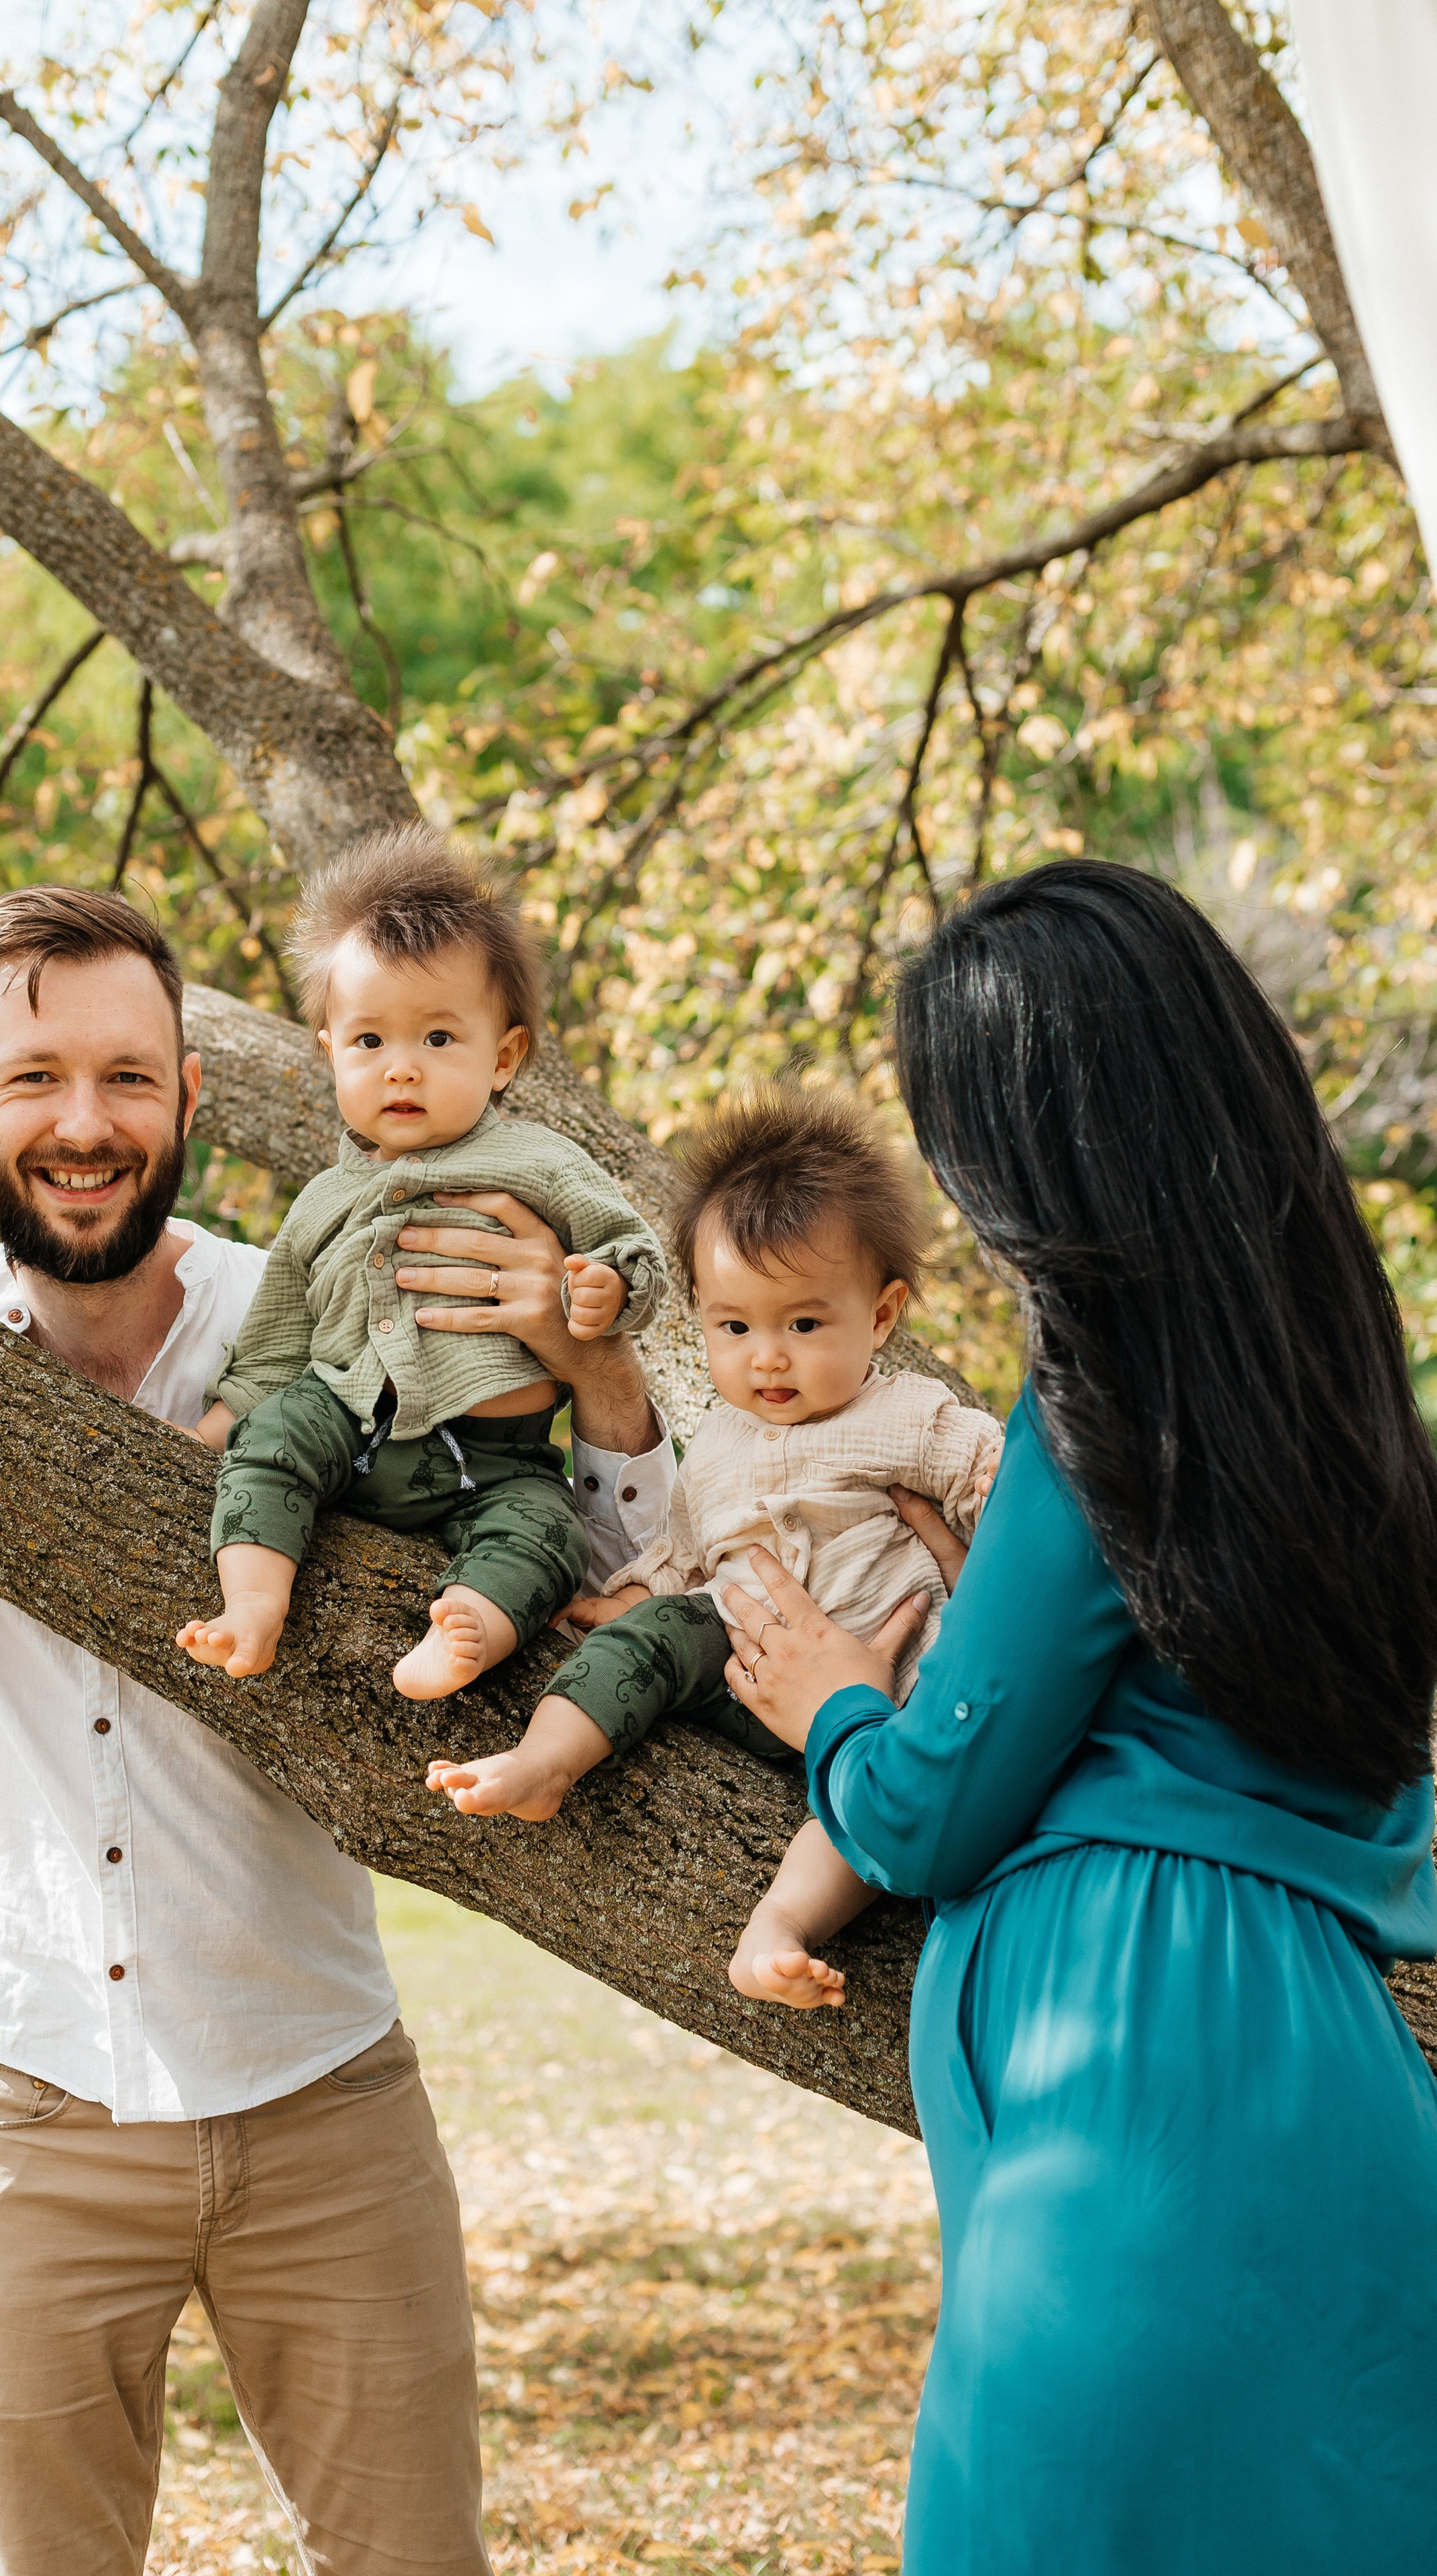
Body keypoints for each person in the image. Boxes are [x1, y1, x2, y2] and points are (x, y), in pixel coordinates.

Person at [0, 881, 671, 2576]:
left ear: (191, 1097)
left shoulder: (335, 1309)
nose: (82, 1127)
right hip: (18, 2106)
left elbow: (608, 1569)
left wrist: (588, 1372)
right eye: (29, 1082)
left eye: (125, 1079)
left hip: (324, 2098)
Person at [719, 862, 1437, 2573]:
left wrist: (830, 1703)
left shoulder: (1097, 1411)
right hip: (1340, 2104)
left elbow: (927, 1806)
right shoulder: (1337, 1393)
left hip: (1121, 2128)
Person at [426, 1086, 1003, 2017]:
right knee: (656, 1633)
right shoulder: (723, 1445)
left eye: (803, 1325)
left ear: (883, 1317)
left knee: (859, 1814)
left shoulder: (904, 1415)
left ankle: (777, 1928)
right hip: (745, 1664)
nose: (767, 1359)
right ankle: (545, 1760)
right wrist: (632, 1596)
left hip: (879, 1698)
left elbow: (995, 1480)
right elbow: (686, 1554)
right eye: (735, 1328)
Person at [178, 826, 668, 1699]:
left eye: (439, 1040)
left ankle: (469, 1626)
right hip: (346, 1419)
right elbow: (276, 1345)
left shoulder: (536, 1161)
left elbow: (629, 1241)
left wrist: (608, 1287)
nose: (402, 1068)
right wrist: (216, 1433)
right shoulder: (323, 1200)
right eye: (370, 1042)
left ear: (504, 1056)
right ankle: (253, 1602)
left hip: (499, 1459)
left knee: (549, 1533)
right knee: (270, 1440)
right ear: (329, 1051)